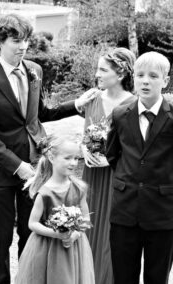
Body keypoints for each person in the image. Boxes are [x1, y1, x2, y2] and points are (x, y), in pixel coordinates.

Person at [0, 13, 95, 283]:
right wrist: (18, 166)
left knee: (32, 235)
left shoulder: (35, 70)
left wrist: (76, 104)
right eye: (16, 40)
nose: (23, 46)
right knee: (0, 240)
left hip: (38, 167)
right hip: (2, 172)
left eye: (26, 39)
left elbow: (42, 114)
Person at [106, 51, 173, 284]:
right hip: (125, 211)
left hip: (163, 212)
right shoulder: (120, 115)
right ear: (133, 78)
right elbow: (113, 155)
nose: (145, 81)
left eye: (153, 76)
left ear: (165, 81)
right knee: (124, 276)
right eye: (140, 75)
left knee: (157, 277)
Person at [81, 47, 136, 284]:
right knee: (87, 227)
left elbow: (137, 148)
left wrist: (112, 158)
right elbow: (85, 137)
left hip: (116, 178)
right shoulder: (93, 99)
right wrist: (84, 150)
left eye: (103, 70)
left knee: (110, 236)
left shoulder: (134, 104)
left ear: (121, 74)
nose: (97, 74)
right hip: (91, 177)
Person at [15, 134, 94, 284]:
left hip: (74, 247)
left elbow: (86, 218)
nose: (73, 163)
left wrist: (75, 234)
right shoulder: (45, 192)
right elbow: (32, 224)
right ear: (51, 158)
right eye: (67, 158)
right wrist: (57, 234)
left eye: (76, 158)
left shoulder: (79, 188)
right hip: (47, 248)